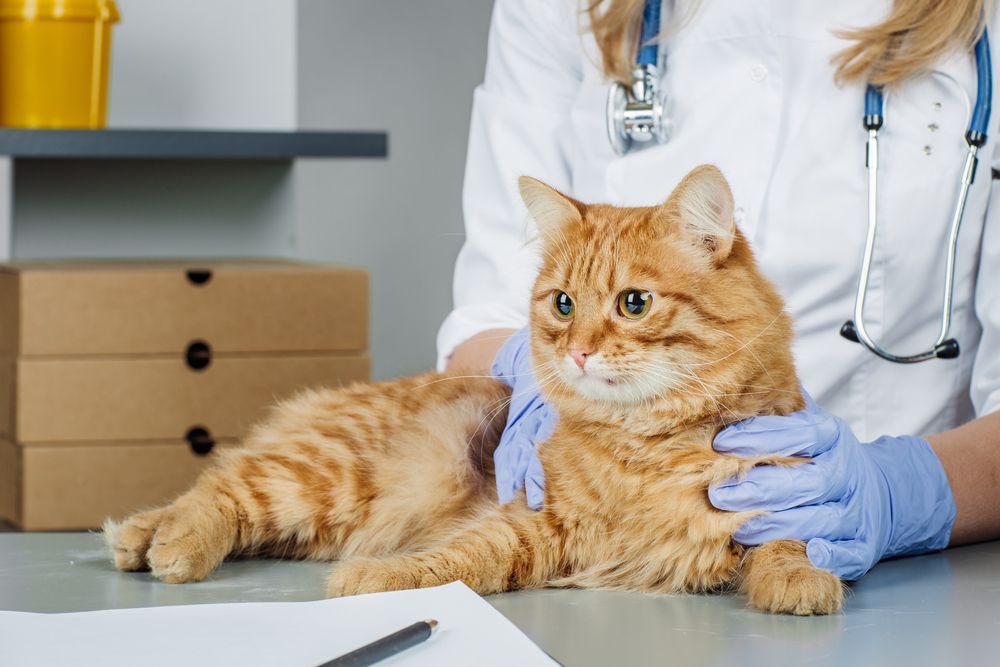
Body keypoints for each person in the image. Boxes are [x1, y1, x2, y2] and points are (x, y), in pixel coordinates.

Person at [437, 0, 1000, 582]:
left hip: (914, 573)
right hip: (603, 532)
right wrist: (527, 373)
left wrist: (903, 491)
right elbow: (485, 314)